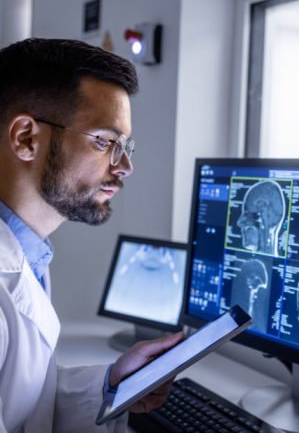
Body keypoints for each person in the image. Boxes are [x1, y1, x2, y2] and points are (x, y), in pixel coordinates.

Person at [0, 38, 185, 432]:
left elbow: (21, 405)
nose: (126, 166)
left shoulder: (26, 255)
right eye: (105, 142)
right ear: (26, 139)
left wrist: (110, 384)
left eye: (125, 145)